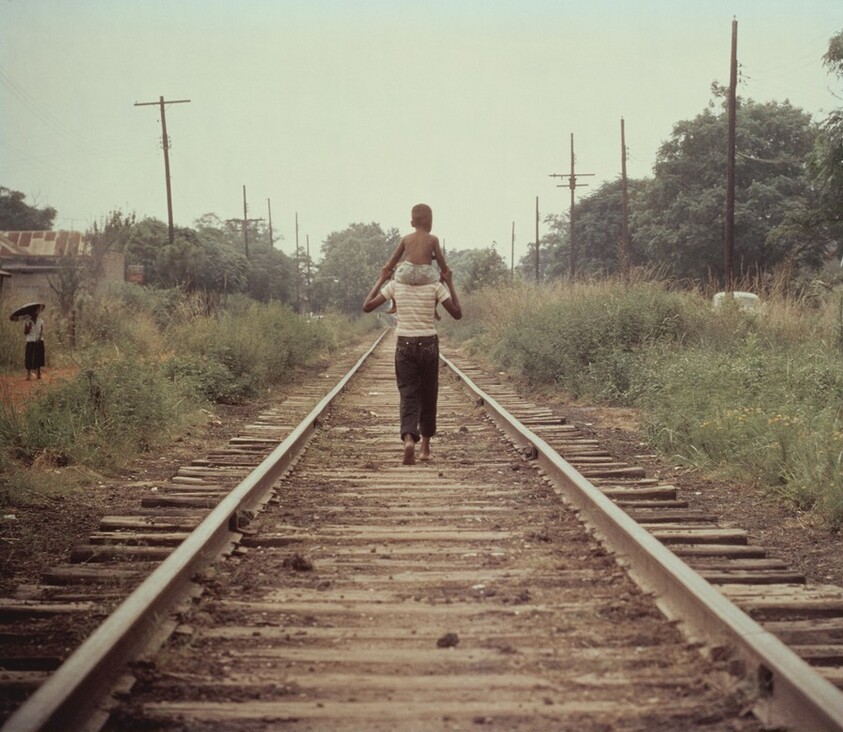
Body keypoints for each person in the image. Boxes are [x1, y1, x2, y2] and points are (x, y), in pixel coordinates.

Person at [363, 251, 462, 465]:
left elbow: (367, 305)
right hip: (428, 344)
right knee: (429, 394)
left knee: (408, 394)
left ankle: (409, 439)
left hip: (404, 345)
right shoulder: (435, 286)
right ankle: (425, 448)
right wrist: (450, 282)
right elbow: (457, 313)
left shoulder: (395, 285)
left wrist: (382, 277)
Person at [381, 203, 450, 318]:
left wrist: (388, 269)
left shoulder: (406, 238)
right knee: (440, 283)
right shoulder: (433, 239)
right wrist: (444, 271)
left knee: (394, 276)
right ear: (430, 223)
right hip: (426, 274)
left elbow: (395, 257)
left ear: (412, 223)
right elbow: (440, 259)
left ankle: (395, 304)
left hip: (407, 273)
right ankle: (433, 307)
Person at [23, 307, 45, 381]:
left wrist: (40, 337)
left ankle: (39, 373)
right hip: (30, 341)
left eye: (37, 313)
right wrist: (29, 327)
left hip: (39, 341)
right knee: (29, 357)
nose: (36, 314)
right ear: (31, 314)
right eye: (34, 313)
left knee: (39, 357)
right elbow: (25, 332)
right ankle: (28, 374)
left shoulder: (41, 321)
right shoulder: (27, 321)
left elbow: (42, 331)